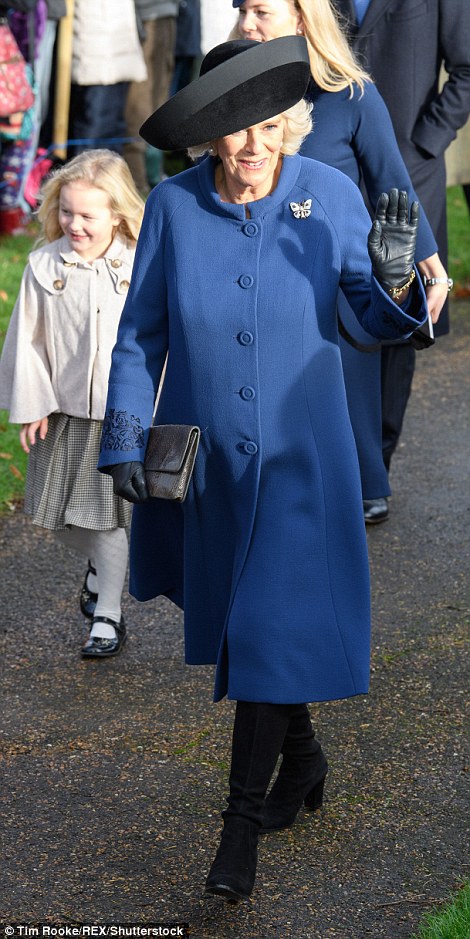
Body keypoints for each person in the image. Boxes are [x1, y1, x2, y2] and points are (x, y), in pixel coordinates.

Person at [97, 37, 428, 901]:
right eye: (235, 134)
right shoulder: (172, 207)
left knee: (267, 619)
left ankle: (238, 826)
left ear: (292, 127)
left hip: (302, 459)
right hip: (214, 466)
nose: (253, 148)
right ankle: (306, 760)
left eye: (270, 129)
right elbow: (141, 336)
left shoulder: (331, 193)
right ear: (209, 138)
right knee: (259, 630)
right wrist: (125, 437)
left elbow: (373, 321)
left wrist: (395, 280)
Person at [230, 0, 449, 524]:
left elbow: (392, 182)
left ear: (302, 17)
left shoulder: (351, 93)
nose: (246, 23)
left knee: (345, 377)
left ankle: (363, 480)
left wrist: (432, 266)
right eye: (241, 10)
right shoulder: (231, 87)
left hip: (331, 271)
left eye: (261, 11)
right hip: (253, 265)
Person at [0, 150, 145, 657]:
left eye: (88, 215)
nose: (75, 225)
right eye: (67, 212)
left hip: (119, 414)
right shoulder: (44, 265)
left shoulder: (140, 262)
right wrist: (32, 404)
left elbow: (157, 337)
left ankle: (108, 614)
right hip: (62, 413)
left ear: (117, 214)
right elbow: (27, 341)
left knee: (107, 519)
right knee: (56, 516)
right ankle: (100, 569)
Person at [334, 0, 470, 475]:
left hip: (409, 171)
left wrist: (425, 141)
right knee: (341, 309)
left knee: (402, 311)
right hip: (337, 169)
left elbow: (468, 66)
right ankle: (339, 460)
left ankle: (378, 467)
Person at [68, 0, 146, 157]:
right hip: (95, 52)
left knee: (113, 131)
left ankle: (108, 179)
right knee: (94, 132)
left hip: (119, 47)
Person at [124, 0, 179, 193]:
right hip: (144, 17)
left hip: (162, 14)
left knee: (157, 103)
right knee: (139, 104)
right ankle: (137, 182)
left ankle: (153, 176)